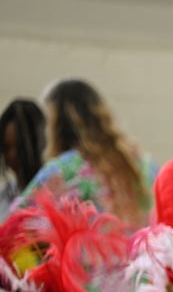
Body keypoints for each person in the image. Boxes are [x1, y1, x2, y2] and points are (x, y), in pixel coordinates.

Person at [16, 79, 153, 227]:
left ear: (55, 125)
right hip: (142, 249)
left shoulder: (61, 170)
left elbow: (14, 224)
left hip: (85, 250)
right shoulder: (143, 164)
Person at [1, 99, 45, 218]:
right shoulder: (3, 200)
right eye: (6, 148)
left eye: (20, 147)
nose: (12, 155)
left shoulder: (62, 195)